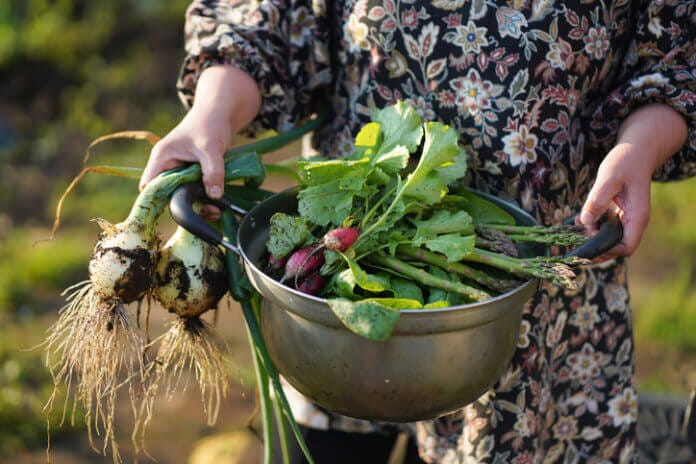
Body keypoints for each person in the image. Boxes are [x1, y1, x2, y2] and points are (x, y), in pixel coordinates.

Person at [139, 1, 695, 462]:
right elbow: (268, 19)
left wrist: (639, 148)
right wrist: (209, 114)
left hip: (539, 275)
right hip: (335, 291)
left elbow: (678, 60)